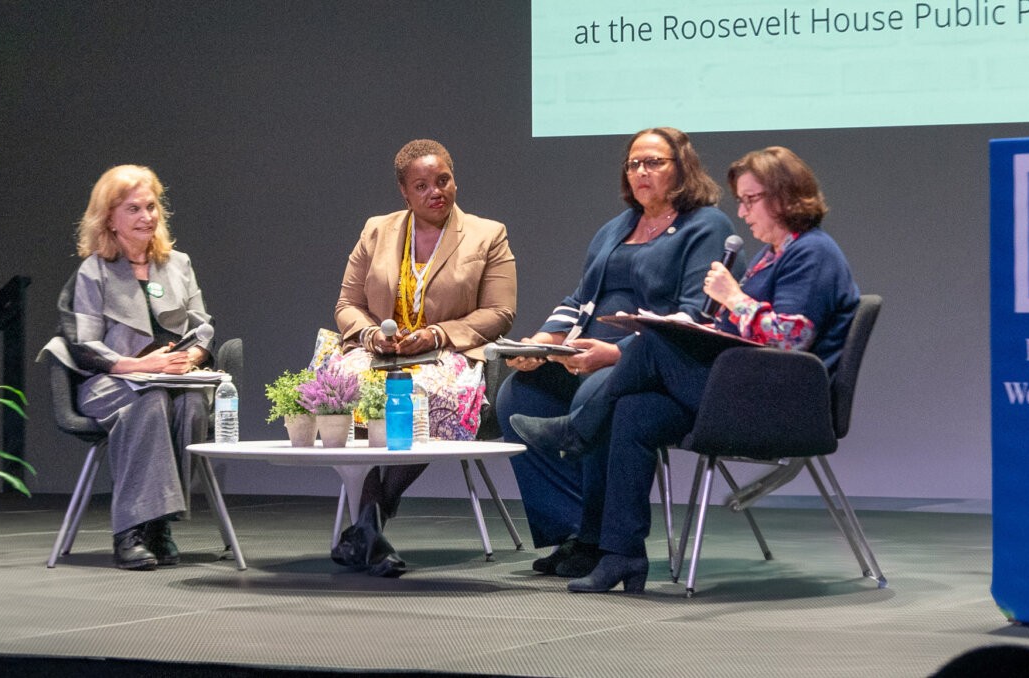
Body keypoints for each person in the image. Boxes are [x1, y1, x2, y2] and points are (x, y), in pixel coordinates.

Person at [511, 146, 860, 594]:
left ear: (784, 198)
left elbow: (791, 339)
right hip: (742, 389)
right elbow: (740, 332)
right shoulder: (772, 256)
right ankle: (623, 555)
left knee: (653, 343)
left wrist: (732, 298)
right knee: (634, 410)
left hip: (781, 404)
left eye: (751, 200)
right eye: (741, 199)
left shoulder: (812, 253)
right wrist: (696, 326)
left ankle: (575, 431)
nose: (742, 211)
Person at [495, 127, 740, 580]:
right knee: (519, 394)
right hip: (586, 351)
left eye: (654, 163)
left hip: (660, 363)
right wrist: (544, 341)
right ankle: (574, 532)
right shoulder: (615, 229)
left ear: (682, 168)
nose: (641, 172)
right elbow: (578, 299)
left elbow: (693, 318)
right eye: (634, 164)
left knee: (598, 391)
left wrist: (615, 353)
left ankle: (596, 535)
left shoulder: (706, 226)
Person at [330, 139, 517, 576]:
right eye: (422, 185)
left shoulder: (488, 234)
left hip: (445, 355)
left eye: (443, 180)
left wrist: (437, 334)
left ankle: (366, 528)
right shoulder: (377, 230)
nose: (436, 191)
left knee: (419, 396)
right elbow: (347, 304)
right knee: (340, 392)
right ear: (404, 192)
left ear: (454, 179)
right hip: (379, 353)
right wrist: (372, 333)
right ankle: (368, 532)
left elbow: (500, 312)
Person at [45, 165, 213, 571]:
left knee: (189, 405)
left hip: (172, 378)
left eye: (152, 207)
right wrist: (137, 365)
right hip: (109, 382)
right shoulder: (93, 272)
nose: (147, 217)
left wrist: (190, 358)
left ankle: (158, 524)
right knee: (149, 401)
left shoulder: (179, 264)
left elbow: (202, 325)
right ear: (110, 219)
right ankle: (131, 530)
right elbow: (83, 344)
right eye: (134, 209)